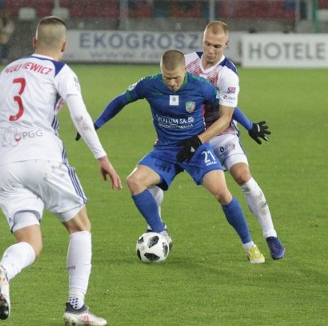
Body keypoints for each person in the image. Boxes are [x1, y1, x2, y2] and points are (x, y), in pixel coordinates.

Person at [0, 16, 122, 325]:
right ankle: (76, 307)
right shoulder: (60, 70)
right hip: (45, 159)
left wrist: (5, 152)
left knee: (31, 242)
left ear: (33, 42)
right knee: (80, 227)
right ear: (64, 46)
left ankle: (5, 271)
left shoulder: (7, 71)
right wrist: (102, 156)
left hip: (6, 167)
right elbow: (81, 118)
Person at [94, 49, 266, 263]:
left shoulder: (201, 87)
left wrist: (250, 126)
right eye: (167, 78)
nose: (172, 83)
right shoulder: (150, 84)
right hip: (165, 151)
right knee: (134, 181)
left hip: (196, 150)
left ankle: (250, 246)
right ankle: (161, 233)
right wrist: (96, 124)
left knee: (222, 193)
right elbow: (121, 100)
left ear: (185, 70)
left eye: (176, 77)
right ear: (161, 72)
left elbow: (228, 109)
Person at [148, 21, 285, 260]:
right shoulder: (187, 62)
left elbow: (226, 113)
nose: (211, 51)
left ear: (227, 45)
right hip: (186, 133)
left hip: (220, 133)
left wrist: (247, 125)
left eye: (217, 46)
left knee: (243, 176)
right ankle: (158, 231)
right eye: (207, 44)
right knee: (154, 179)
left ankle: (270, 234)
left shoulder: (227, 73)